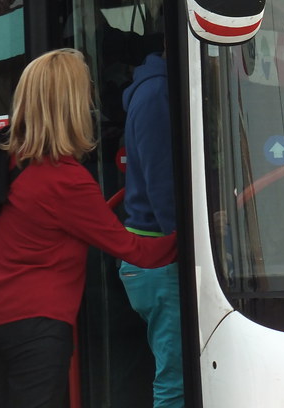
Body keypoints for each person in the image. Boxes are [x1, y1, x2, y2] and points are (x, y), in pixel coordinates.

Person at [0, 49, 177, 408]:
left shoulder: (1, 156)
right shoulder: (67, 181)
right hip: (37, 328)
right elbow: (136, 251)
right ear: (73, 105)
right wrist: (199, 233)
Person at [119, 48, 183, 408]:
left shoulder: (153, 88)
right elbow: (164, 185)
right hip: (160, 256)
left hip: (151, 257)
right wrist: (192, 241)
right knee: (177, 380)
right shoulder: (158, 93)